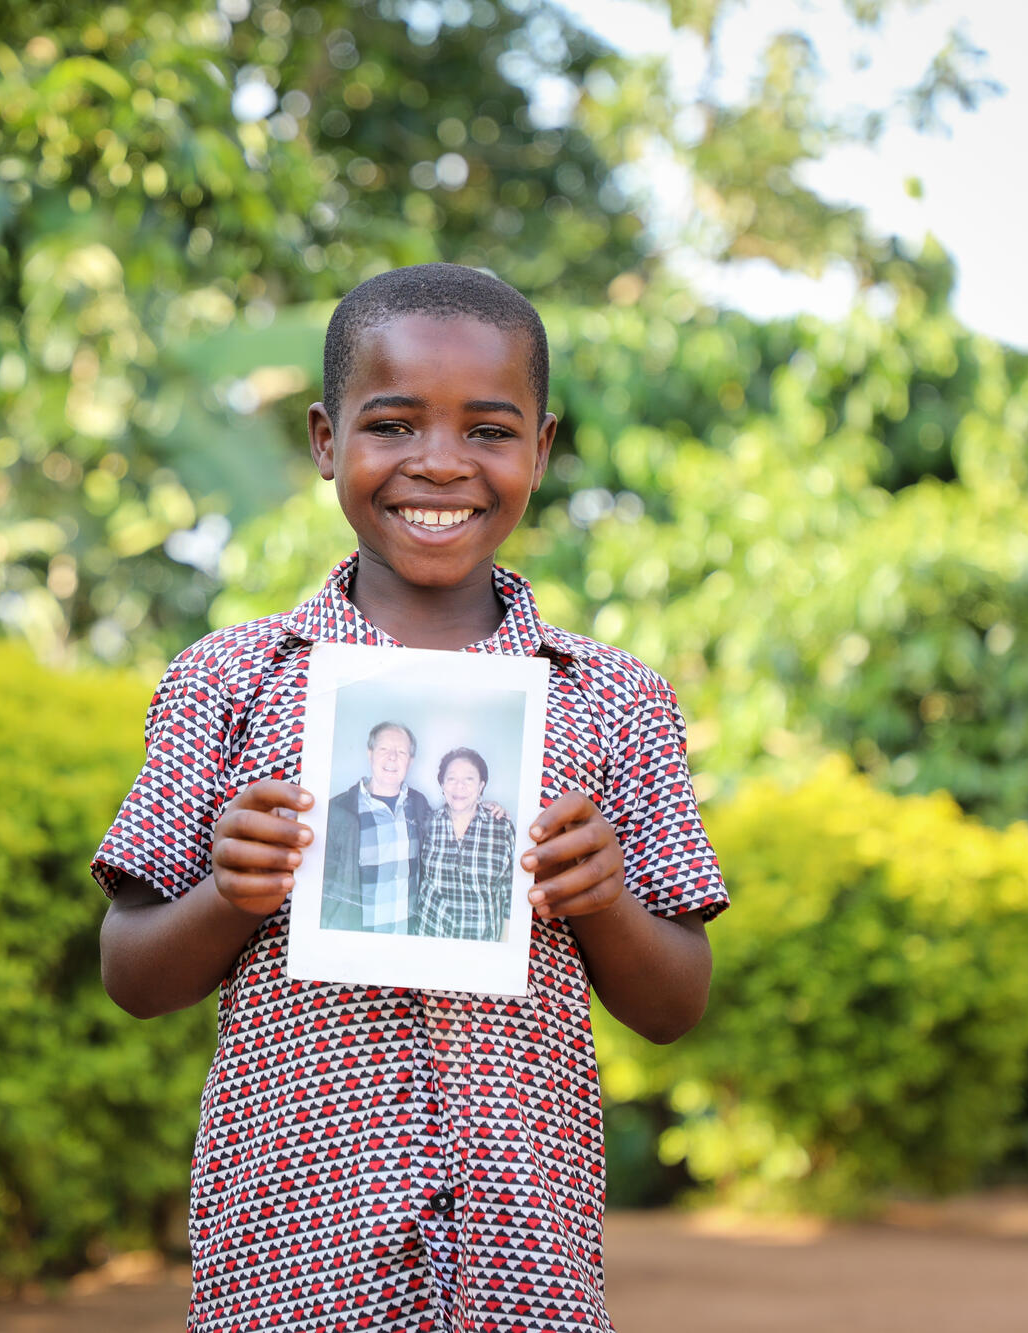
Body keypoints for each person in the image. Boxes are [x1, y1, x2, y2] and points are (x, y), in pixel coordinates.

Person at [95, 262, 727, 1332]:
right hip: (292, 1257)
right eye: (392, 425)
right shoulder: (228, 680)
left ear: (541, 445)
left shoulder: (615, 700)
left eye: (488, 430)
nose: (439, 463)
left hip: (523, 1259)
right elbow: (130, 971)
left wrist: (606, 898)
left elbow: (672, 1005)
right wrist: (228, 893)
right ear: (324, 439)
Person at [321, 720, 430, 933]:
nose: (392, 757)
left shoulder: (419, 804)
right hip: (356, 939)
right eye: (384, 749)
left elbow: (452, 823)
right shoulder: (337, 811)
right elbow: (321, 885)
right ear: (370, 754)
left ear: (411, 761)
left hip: (407, 936)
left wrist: (487, 807)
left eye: (401, 752)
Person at [415, 747, 516, 942]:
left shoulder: (501, 827)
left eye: (469, 779)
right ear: (442, 784)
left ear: (481, 786)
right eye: (451, 778)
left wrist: (504, 947)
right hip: (430, 937)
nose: (459, 786)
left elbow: (510, 893)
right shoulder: (428, 823)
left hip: (482, 943)